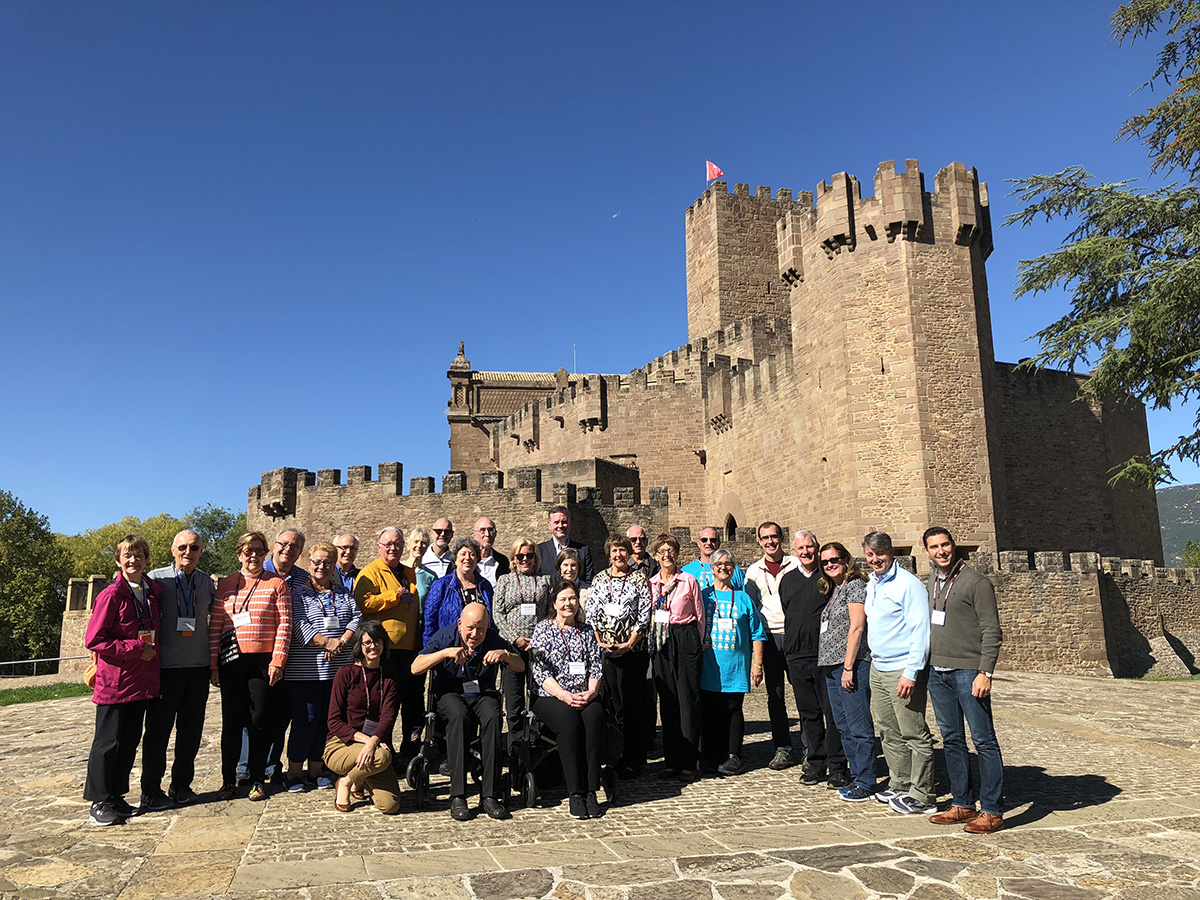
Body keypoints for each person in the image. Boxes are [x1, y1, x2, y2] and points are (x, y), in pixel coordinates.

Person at [922, 527, 1005, 834]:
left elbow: (991, 631)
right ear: (927, 551)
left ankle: (993, 810)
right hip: (938, 672)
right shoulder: (932, 581)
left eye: (945, 545)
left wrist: (986, 671)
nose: (941, 551)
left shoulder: (976, 582)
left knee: (983, 740)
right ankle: (962, 804)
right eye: (934, 546)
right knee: (952, 740)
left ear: (954, 547)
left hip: (969, 671)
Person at [412, 602, 522, 820]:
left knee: (493, 715)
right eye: (470, 628)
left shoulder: (491, 637)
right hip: (450, 693)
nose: (475, 634)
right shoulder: (445, 637)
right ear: (460, 623)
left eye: (480, 628)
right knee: (459, 716)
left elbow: (520, 666)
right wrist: (444, 654)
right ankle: (458, 795)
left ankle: (490, 795)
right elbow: (415, 667)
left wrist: (505, 655)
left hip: (482, 693)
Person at [84, 534, 162, 826]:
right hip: (116, 682)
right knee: (107, 743)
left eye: (139, 554)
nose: (133, 560)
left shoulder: (150, 593)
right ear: (119, 560)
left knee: (128, 743)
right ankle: (99, 800)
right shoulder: (111, 595)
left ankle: (117, 795)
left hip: (141, 682)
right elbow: (95, 639)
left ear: (146, 559)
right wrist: (136, 648)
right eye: (127, 555)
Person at [210, 531, 292, 802]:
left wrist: (277, 660)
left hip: (262, 662)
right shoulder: (226, 585)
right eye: (248, 551)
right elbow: (217, 626)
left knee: (259, 721)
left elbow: (285, 626)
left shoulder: (276, 584)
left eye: (259, 551)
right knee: (231, 723)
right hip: (232, 661)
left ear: (265, 553)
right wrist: (213, 664)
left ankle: (257, 778)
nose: (253, 556)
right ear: (239, 554)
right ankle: (228, 781)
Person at [862, 531, 935, 815]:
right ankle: (900, 783)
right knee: (889, 731)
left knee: (914, 733)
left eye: (879, 553)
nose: (875, 559)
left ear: (891, 552)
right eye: (870, 554)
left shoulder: (909, 584)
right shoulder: (873, 583)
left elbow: (921, 631)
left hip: (901, 669)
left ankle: (924, 794)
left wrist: (912, 672)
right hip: (879, 667)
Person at [140, 529, 213, 810]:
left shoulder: (207, 582)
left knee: (190, 733)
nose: (188, 552)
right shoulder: (156, 580)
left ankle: (181, 786)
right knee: (158, 733)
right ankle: (151, 790)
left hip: (197, 669)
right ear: (172, 550)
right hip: (165, 669)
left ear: (200, 552)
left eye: (194, 548)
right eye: (182, 547)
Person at [284, 542, 361, 791]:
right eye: (317, 562)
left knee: (327, 721)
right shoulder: (297, 594)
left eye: (327, 562)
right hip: (305, 672)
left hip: (338, 670)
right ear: (309, 565)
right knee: (305, 719)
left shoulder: (343, 593)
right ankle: (294, 771)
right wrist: (327, 643)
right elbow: (297, 624)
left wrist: (342, 642)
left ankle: (316, 769)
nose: (322, 566)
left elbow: (356, 618)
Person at [530, 580, 606, 819]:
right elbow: (540, 672)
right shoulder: (543, 629)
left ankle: (591, 790)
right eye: (563, 599)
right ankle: (575, 792)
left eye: (572, 598)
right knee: (569, 721)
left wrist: (591, 692)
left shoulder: (586, 630)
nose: (568, 604)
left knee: (595, 718)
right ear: (554, 603)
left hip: (584, 693)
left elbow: (596, 666)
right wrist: (564, 695)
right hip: (551, 695)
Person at [779, 529, 848, 788]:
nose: (806, 552)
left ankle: (838, 765)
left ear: (816, 548)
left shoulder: (826, 576)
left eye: (810, 547)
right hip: (797, 656)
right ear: (794, 552)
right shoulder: (787, 580)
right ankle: (816, 763)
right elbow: (790, 612)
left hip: (824, 656)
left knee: (831, 712)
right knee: (808, 713)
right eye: (801, 548)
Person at [354, 528, 423, 761]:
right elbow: (363, 603)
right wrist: (394, 597)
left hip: (409, 648)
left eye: (397, 544)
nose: (393, 548)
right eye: (388, 544)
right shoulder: (370, 572)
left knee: (411, 701)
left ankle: (410, 748)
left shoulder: (408, 572)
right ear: (378, 546)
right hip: (386, 650)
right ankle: (383, 748)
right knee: (386, 703)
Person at [816, 541, 877, 802]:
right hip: (832, 666)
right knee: (843, 725)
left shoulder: (854, 586)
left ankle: (866, 780)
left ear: (845, 559)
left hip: (850, 665)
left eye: (835, 560)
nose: (830, 565)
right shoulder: (835, 588)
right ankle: (856, 776)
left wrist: (849, 667)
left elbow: (857, 627)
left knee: (858, 724)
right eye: (825, 562)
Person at [586, 536, 652, 778]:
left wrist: (630, 642)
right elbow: (592, 612)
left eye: (623, 551)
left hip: (631, 652)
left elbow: (645, 613)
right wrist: (599, 640)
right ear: (608, 553)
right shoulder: (600, 579)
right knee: (611, 705)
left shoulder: (638, 578)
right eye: (615, 551)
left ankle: (634, 758)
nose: (619, 555)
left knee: (632, 705)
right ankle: (613, 754)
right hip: (606, 651)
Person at [698, 549, 766, 777]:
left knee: (733, 709)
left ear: (734, 568)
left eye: (728, 564)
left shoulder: (744, 598)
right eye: (718, 564)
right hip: (709, 665)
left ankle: (733, 755)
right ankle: (711, 754)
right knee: (710, 711)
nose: (723, 568)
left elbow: (757, 633)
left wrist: (757, 665)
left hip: (735, 665)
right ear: (712, 568)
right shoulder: (704, 596)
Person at [325, 621, 402, 815]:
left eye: (377, 641)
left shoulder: (390, 679)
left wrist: (374, 741)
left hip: (373, 747)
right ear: (359, 645)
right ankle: (345, 782)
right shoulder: (346, 674)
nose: (373, 646)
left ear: (384, 644)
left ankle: (357, 778)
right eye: (367, 642)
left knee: (390, 805)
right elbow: (333, 721)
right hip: (341, 745)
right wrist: (369, 742)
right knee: (382, 757)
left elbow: (387, 717)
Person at [743, 521, 802, 771]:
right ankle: (783, 747)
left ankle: (812, 746)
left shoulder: (796, 564)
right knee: (775, 695)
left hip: (795, 636)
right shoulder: (754, 571)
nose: (770, 541)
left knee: (804, 693)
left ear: (781, 538)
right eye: (765, 538)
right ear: (759, 541)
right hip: (769, 637)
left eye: (774, 536)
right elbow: (751, 606)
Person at [647, 533, 704, 781]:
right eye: (662, 551)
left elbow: (700, 616)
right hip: (661, 642)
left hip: (685, 636)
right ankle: (672, 761)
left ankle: (689, 761)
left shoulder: (688, 580)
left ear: (677, 554)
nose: (666, 554)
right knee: (668, 701)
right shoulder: (651, 584)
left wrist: (696, 644)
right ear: (656, 555)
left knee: (688, 700)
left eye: (670, 550)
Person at [260, 528, 309, 784]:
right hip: (260, 654)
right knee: (256, 713)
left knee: (281, 714)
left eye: (294, 546)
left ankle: (270, 765)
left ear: (300, 552)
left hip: (293, 657)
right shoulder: (258, 572)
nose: (288, 549)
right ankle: (247, 766)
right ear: (274, 546)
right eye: (283, 544)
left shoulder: (303, 578)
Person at [492, 538, 553, 744]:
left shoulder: (545, 581)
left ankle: (537, 740)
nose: (525, 559)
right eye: (520, 556)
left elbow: (548, 613)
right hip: (512, 646)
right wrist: (515, 638)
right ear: (513, 559)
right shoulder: (505, 581)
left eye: (529, 555)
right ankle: (515, 742)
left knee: (539, 693)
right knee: (514, 696)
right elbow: (498, 614)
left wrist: (538, 639)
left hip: (538, 646)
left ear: (536, 558)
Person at [423, 537, 494, 647]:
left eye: (472, 554)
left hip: (481, 647)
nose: (467, 558)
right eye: (463, 554)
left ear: (477, 559)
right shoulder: (441, 585)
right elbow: (430, 622)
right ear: (455, 559)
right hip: (449, 646)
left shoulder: (485, 586)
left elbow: (492, 619)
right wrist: (429, 651)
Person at [537, 506, 595, 582]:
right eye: (556, 522)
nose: (560, 526)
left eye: (564, 522)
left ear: (570, 525)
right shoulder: (539, 551)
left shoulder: (583, 551)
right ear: (550, 526)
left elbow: (589, 581)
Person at [683, 527, 745, 592]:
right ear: (699, 544)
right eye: (704, 540)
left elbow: (745, 597)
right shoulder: (687, 571)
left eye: (713, 540)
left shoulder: (733, 570)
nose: (709, 543)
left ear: (719, 543)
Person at [473, 517, 510, 587]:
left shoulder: (502, 561)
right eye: (482, 530)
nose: (487, 534)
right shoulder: (468, 561)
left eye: (490, 530)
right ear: (474, 535)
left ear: (495, 534)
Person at [403, 526, 435, 604]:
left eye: (423, 543)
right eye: (416, 541)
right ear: (408, 544)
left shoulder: (431, 576)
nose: (419, 545)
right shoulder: (397, 568)